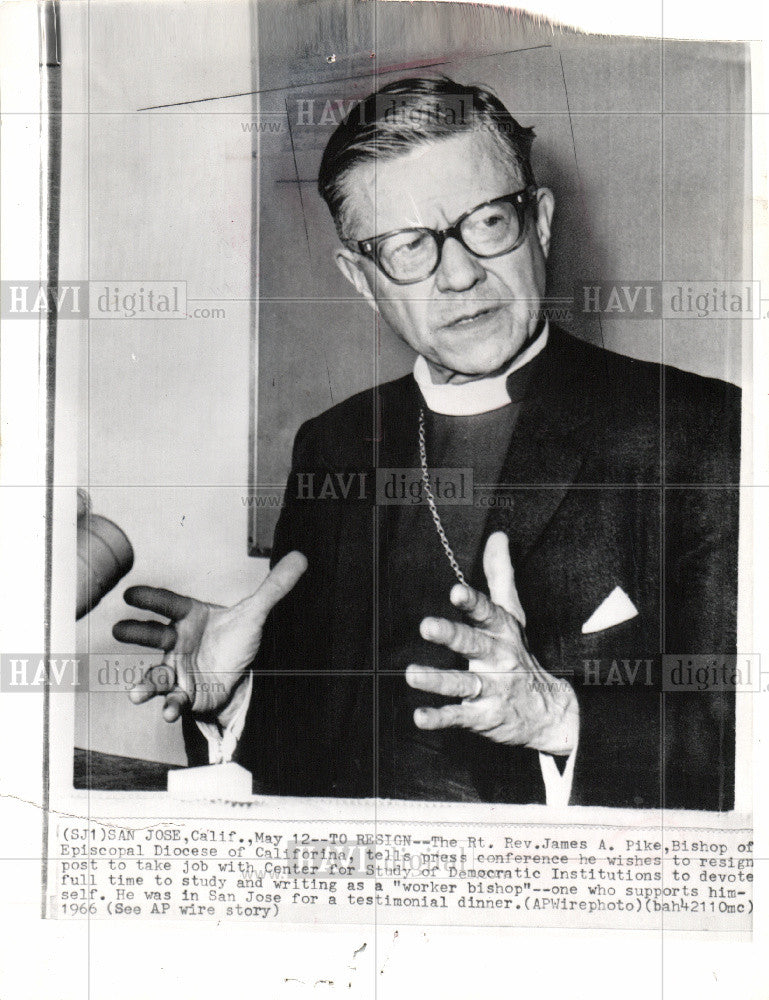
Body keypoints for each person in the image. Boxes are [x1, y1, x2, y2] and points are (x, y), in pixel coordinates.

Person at [114, 77, 739, 809]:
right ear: (361, 279)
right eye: (409, 247)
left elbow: (736, 745)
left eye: (486, 223)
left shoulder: (700, 431)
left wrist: (559, 718)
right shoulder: (336, 446)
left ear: (537, 222)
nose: (459, 273)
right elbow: (308, 763)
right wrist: (236, 702)